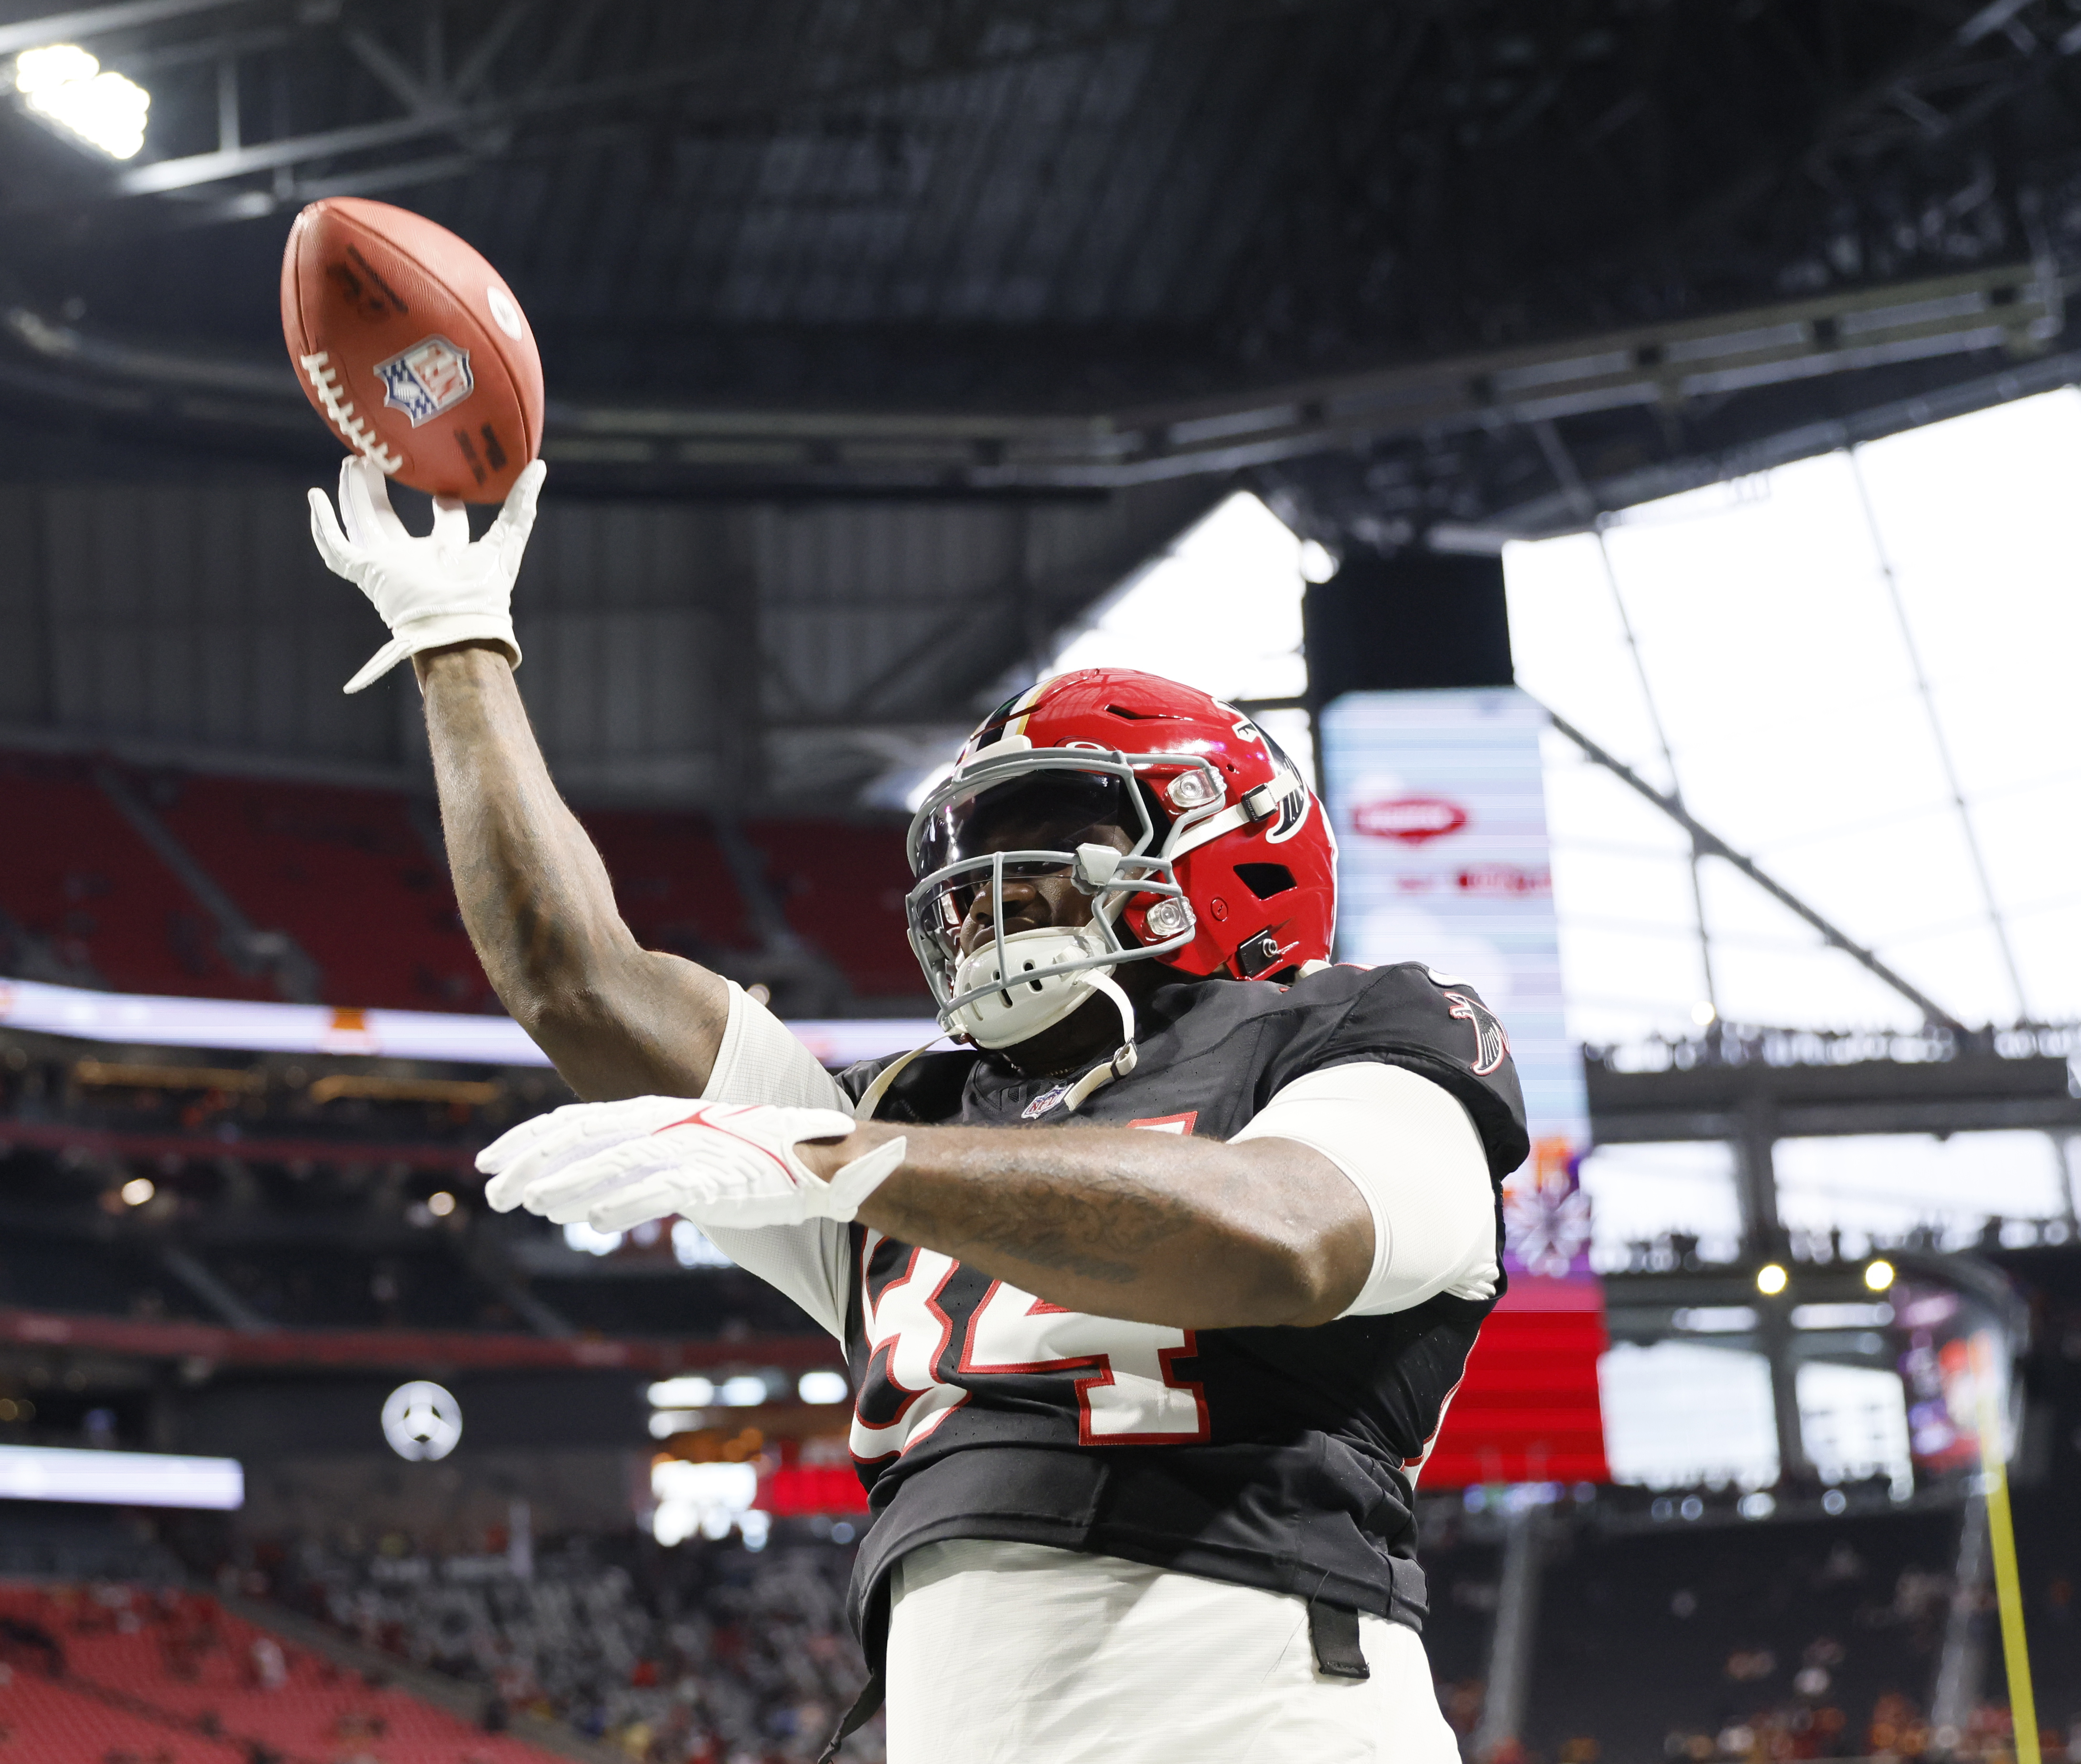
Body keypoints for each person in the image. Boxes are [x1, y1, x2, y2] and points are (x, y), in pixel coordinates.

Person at [308, 458, 1527, 1763]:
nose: (985, 894)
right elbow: (579, 983)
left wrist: (830, 1157)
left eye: (1053, 833)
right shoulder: (915, 1113)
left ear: (1233, 843)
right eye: (966, 857)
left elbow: (1287, 1234)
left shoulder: (1354, 1032)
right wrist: (458, 649)